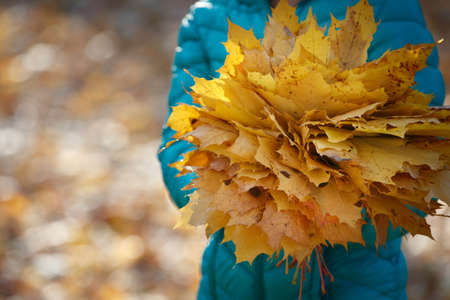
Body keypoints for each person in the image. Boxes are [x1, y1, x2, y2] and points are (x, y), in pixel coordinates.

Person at [158, 0, 445, 299]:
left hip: (355, 283)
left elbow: (421, 157)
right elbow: (178, 141)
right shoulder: (208, 17)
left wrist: (326, 208)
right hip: (237, 280)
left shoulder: (385, 8)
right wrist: (235, 196)